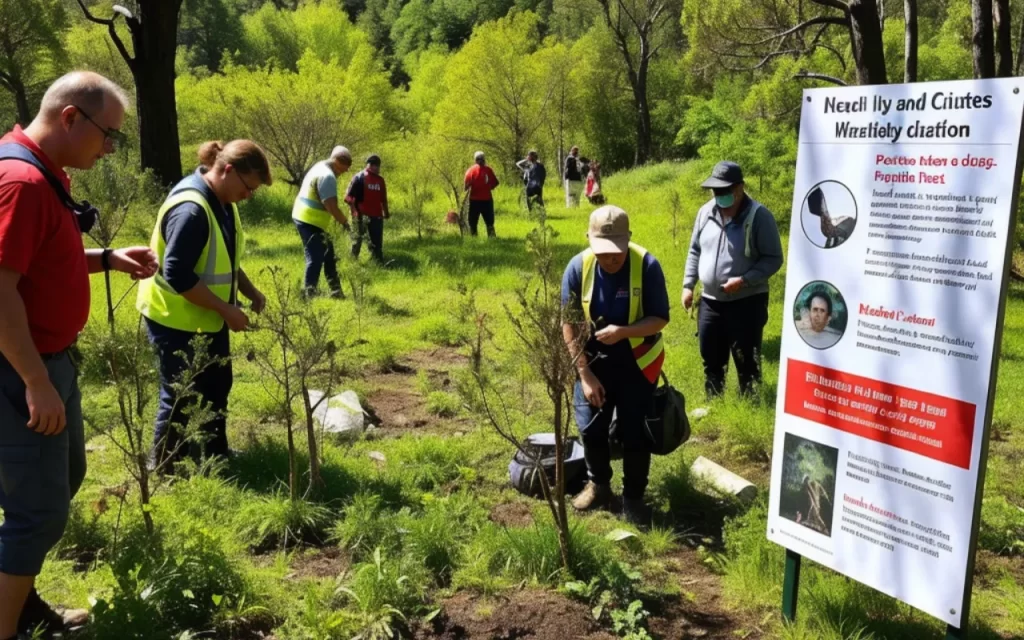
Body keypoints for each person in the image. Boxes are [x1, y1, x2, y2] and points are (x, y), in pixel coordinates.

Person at [0, 71, 159, 639]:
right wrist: (35, 382)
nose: (111, 146)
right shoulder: (21, 180)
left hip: (48, 363)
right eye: (108, 133)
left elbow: (42, 258)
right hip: (22, 369)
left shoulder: (44, 173)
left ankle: (17, 603)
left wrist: (108, 257)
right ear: (71, 118)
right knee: (36, 511)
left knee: (57, 481)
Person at [137, 139, 271, 471]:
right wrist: (226, 310)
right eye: (248, 187)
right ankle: (165, 465)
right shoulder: (192, 209)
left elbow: (225, 257)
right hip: (173, 318)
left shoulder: (224, 201)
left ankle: (215, 454)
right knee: (180, 394)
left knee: (217, 384)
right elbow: (178, 274)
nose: (249, 195)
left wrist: (250, 290)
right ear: (228, 170)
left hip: (206, 317)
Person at [561, 206, 670, 526]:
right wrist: (584, 373)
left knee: (635, 432)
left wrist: (624, 331)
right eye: (604, 253)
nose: (611, 259)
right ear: (589, 241)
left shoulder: (647, 265)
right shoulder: (578, 268)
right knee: (590, 427)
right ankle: (599, 485)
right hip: (593, 363)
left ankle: (634, 498)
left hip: (638, 364)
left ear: (628, 240)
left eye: (617, 253)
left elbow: (660, 318)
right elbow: (567, 323)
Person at [683, 161, 783, 398]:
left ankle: (750, 403)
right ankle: (713, 401)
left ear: (739, 188)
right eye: (715, 191)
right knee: (711, 357)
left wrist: (745, 280)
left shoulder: (760, 216)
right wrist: (688, 285)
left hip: (746, 301)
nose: (719, 196)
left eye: (725, 191)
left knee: (747, 361)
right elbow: (695, 250)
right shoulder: (705, 212)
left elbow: (774, 258)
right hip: (710, 301)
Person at [292, 146, 352, 298]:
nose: (344, 172)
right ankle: (308, 293)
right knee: (316, 256)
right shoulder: (328, 176)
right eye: (343, 168)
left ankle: (336, 291)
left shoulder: (319, 166)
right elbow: (331, 206)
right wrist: (345, 223)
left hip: (307, 218)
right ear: (336, 161)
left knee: (329, 255)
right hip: (309, 220)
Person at [346, 154, 390, 264]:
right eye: (377, 166)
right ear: (370, 165)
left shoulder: (380, 180)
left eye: (378, 166)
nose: (378, 169)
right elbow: (348, 197)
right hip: (361, 216)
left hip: (376, 216)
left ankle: (378, 263)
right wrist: (354, 211)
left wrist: (386, 213)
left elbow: (383, 199)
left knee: (377, 243)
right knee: (357, 241)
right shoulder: (359, 177)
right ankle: (352, 263)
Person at [464, 151, 499, 237]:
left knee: (482, 223)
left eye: (481, 159)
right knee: (484, 223)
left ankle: (479, 239)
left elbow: (465, 188)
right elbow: (495, 183)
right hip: (479, 200)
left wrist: (489, 186)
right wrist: (489, 186)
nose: (481, 161)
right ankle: (479, 240)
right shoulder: (472, 171)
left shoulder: (471, 170)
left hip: (480, 200)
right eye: (479, 159)